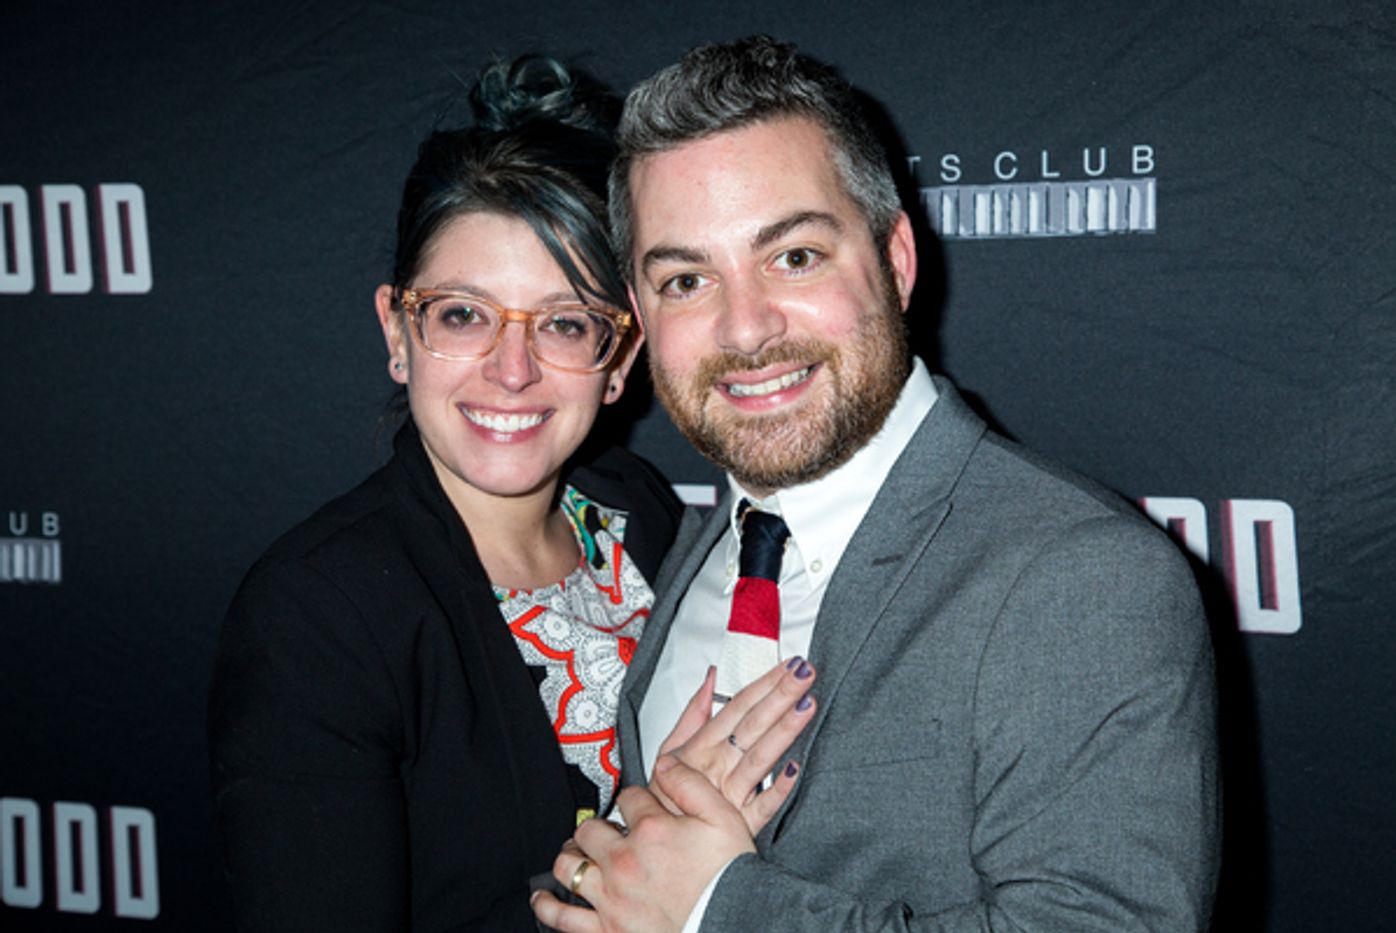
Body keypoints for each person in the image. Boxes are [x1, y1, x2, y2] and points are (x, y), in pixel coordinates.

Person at [532, 35, 1220, 932]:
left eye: (795, 257)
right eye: (688, 278)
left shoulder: (1083, 579)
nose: (744, 331)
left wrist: (713, 907)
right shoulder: (699, 541)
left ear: (895, 260)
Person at [207, 55, 759, 932]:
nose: (513, 371)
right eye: (463, 313)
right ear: (399, 330)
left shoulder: (641, 514)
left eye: (565, 322)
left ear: (616, 359)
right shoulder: (316, 614)